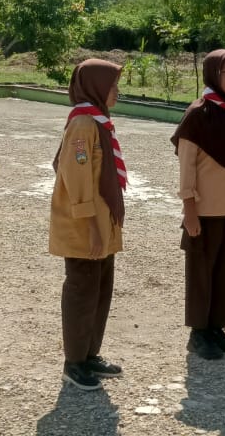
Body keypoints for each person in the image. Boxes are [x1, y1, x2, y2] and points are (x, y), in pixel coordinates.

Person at [170, 49, 225, 361]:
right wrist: (189, 209)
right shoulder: (198, 114)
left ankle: (217, 327)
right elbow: (187, 166)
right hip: (206, 210)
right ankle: (198, 332)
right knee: (201, 270)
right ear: (212, 74)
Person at [48, 59, 126, 391]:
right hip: (84, 226)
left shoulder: (98, 121)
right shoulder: (83, 125)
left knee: (100, 290)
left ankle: (90, 353)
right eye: (112, 85)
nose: (116, 91)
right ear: (95, 86)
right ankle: (74, 362)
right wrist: (93, 227)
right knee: (82, 290)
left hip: (100, 222)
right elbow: (77, 177)